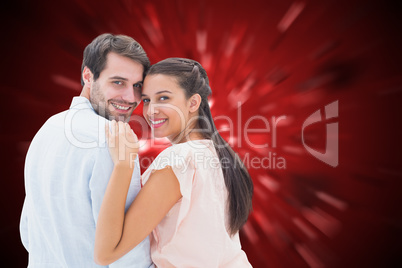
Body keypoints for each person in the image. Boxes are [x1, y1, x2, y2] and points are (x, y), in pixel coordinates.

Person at [95, 58, 254, 267]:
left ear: (193, 102)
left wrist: (123, 164)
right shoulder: (217, 153)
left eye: (163, 98)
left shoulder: (178, 160)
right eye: (146, 100)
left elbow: (106, 253)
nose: (151, 110)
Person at [20, 33, 154, 267]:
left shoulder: (47, 128)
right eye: (118, 82)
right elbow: (129, 257)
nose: (131, 98)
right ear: (88, 76)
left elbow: (28, 234)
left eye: (137, 86)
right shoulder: (115, 142)